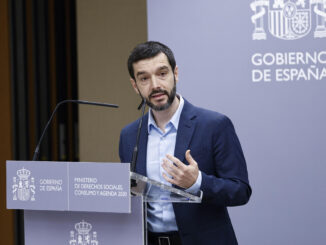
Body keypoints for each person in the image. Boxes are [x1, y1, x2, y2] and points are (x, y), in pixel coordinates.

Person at [119, 41, 251, 245]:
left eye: (162, 73)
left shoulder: (214, 125)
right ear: (135, 86)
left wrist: (197, 182)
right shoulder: (129, 136)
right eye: (144, 78)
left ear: (175, 74)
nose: (155, 85)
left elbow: (240, 191)